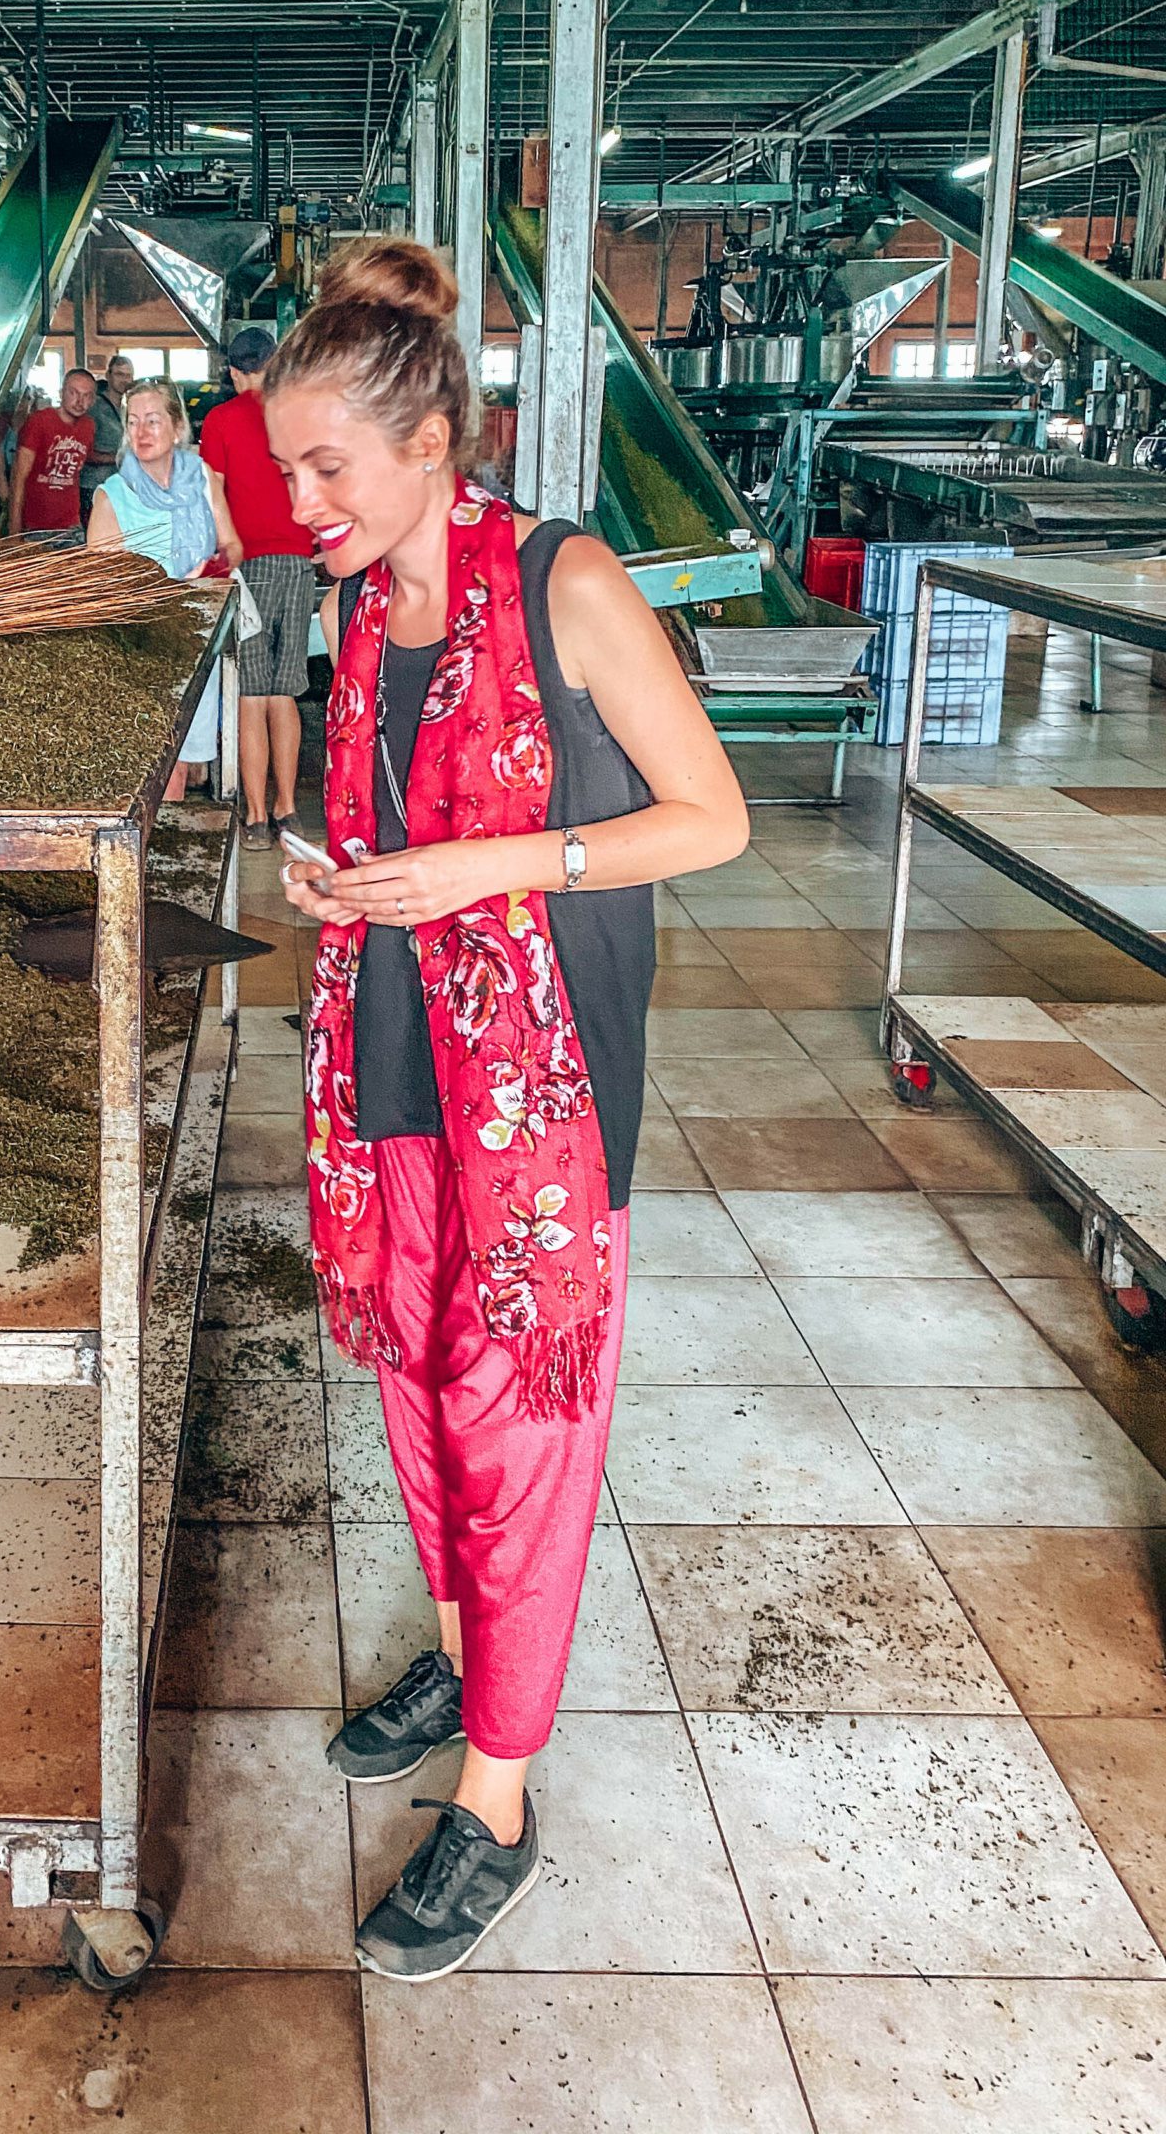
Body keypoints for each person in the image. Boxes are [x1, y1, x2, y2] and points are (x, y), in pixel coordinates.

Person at [269, 240, 748, 1983]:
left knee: (517, 1424)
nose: (302, 497)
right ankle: (470, 1655)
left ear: (427, 445)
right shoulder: (348, 604)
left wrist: (487, 867)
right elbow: (385, 807)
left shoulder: (565, 580)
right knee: (414, 1380)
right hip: (386, 1048)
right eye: (286, 468)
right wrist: (351, 886)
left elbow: (713, 818)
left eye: (328, 466)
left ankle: (502, 1797)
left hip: (537, 1089)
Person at [88, 377, 241, 798]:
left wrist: (215, 566)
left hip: (196, 641)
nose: (141, 433)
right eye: (133, 422)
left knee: (184, 762)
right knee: (158, 768)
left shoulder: (202, 479)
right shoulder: (112, 496)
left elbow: (232, 543)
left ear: (178, 428)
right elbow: (102, 584)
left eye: (153, 421)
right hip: (144, 650)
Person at [200, 325, 315, 847]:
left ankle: (255, 818)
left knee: (251, 692)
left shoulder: (220, 420)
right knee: (285, 692)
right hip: (297, 561)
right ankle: (288, 810)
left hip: (249, 565)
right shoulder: (297, 413)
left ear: (233, 371)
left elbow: (212, 490)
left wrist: (229, 546)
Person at [10, 367, 98, 535]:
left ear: (93, 400)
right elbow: (19, 476)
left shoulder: (89, 426)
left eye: (86, 396)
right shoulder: (39, 421)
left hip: (70, 524)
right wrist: (15, 529)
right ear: (61, 393)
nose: (80, 401)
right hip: (35, 525)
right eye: (74, 393)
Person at [82, 352, 134, 515]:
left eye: (128, 375)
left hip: (119, 485)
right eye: (119, 374)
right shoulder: (94, 408)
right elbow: (84, 452)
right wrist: (120, 457)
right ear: (108, 376)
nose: (124, 380)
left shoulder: (128, 408)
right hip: (94, 486)